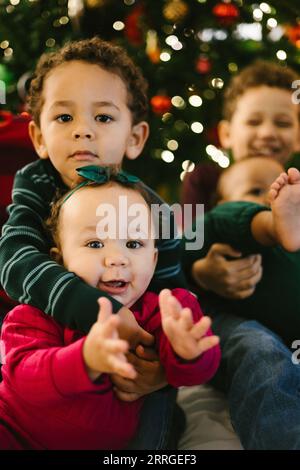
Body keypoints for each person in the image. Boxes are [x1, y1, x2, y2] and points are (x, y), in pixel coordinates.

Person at [0, 37, 187, 449]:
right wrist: (99, 312)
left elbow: (168, 290)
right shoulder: (36, 182)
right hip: (42, 337)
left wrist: (159, 366)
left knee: (158, 408)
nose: (82, 129)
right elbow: (15, 261)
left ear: (135, 137)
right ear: (39, 136)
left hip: (127, 358)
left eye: (103, 118)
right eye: (64, 117)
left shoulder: (150, 210)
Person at [0, 169, 220, 449]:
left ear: (153, 261)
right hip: (19, 433)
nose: (117, 259)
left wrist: (190, 353)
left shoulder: (165, 311)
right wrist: (85, 359)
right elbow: (24, 379)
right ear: (59, 258)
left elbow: (196, 374)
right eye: (94, 244)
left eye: (133, 244)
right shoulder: (33, 314)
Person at [181, 60, 300, 450]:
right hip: (235, 321)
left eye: (283, 123)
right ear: (227, 132)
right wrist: (202, 271)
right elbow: (180, 249)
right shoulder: (210, 187)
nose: (267, 133)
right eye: (254, 122)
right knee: (260, 350)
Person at [183, 157, 300, 346]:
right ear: (221, 203)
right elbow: (180, 252)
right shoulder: (216, 221)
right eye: (256, 190)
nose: (271, 197)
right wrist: (198, 272)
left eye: (281, 189)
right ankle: (271, 224)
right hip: (256, 336)